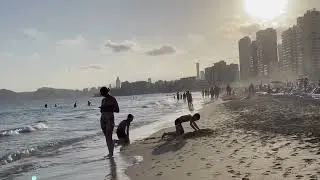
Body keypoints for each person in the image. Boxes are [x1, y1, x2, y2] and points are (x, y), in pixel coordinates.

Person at [99, 87, 119, 157]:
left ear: (106, 92)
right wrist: (102, 109)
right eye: (101, 93)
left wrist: (109, 108)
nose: (101, 94)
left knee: (108, 136)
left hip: (110, 119)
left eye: (102, 93)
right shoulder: (103, 100)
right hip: (103, 119)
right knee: (106, 137)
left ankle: (111, 153)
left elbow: (117, 110)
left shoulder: (112, 99)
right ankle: (110, 152)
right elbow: (101, 111)